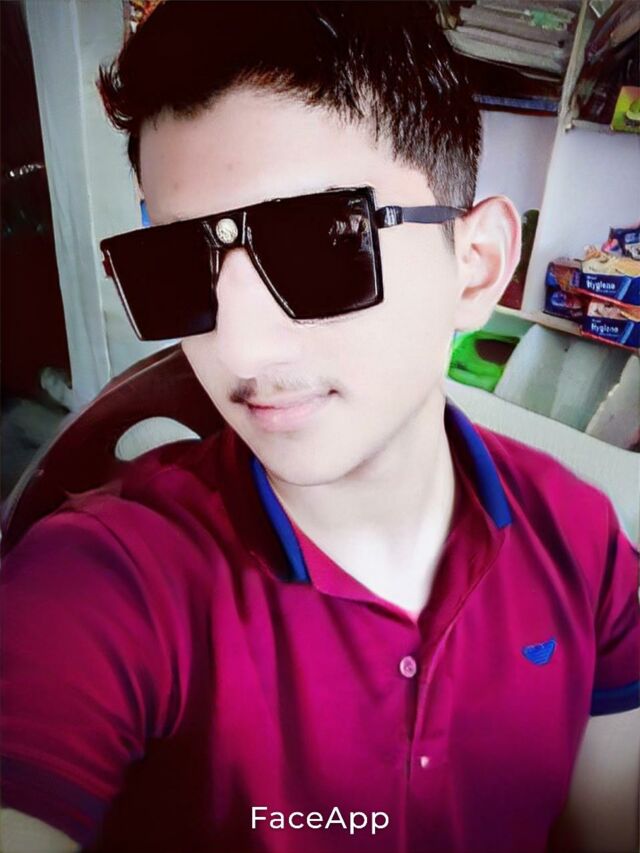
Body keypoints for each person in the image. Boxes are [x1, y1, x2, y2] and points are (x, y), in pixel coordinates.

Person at [1, 3, 639, 852]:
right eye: (177, 267)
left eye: (319, 245)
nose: (238, 346)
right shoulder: (107, 578)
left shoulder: (584, 544)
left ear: (475, 266)